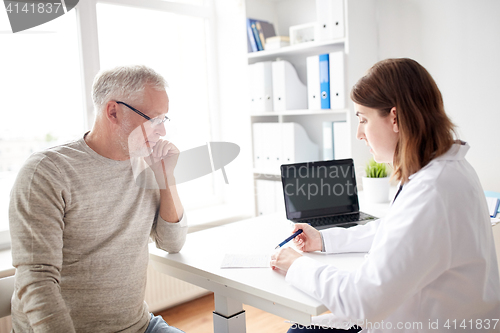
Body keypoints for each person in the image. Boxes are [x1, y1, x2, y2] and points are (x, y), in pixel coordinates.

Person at [270, 58, 500, 333]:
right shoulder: (449, 169)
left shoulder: (431, 190)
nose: (359, 133)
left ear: (395, 118)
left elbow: (362, 301)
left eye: (364, 120)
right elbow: (396, 229)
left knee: (299, 331)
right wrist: (325, 239)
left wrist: (297, 266)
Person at [9, 65, 188, 333]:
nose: (161, 132)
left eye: (164, 120)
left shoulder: (146, 165)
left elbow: (172, 243)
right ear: (113, 111)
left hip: (140, 326)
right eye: (153, 120)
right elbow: (36, 279)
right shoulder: (47, 172)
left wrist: (166, 179)